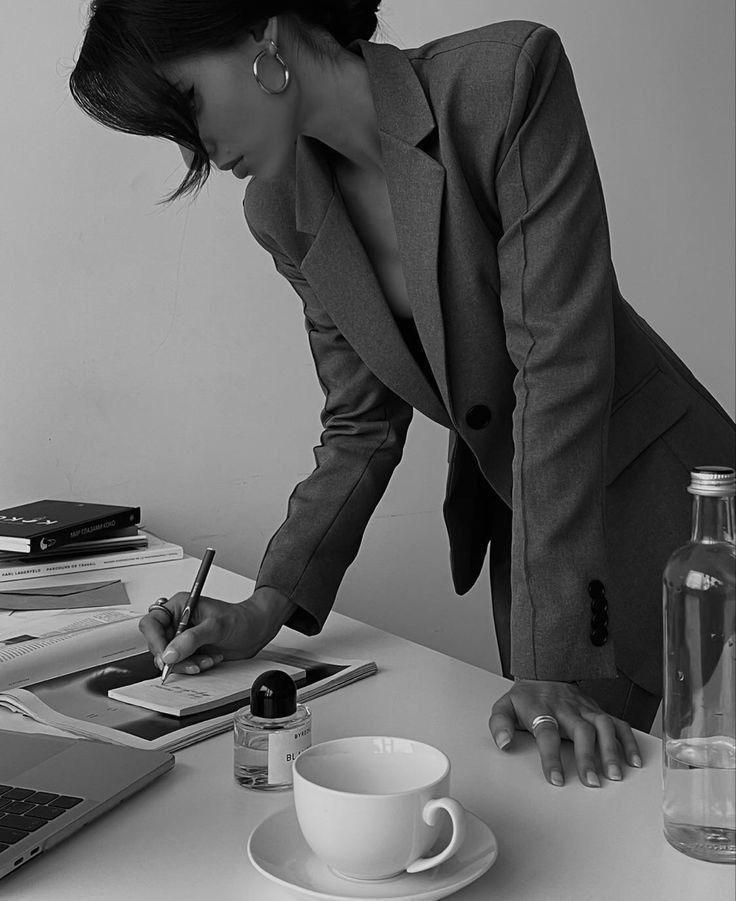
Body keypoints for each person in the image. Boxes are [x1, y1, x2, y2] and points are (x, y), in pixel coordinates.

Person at [69, 1, 735, 788]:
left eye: (186, 102)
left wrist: (547, 651)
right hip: (537, 546)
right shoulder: (281, 208)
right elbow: (359, 422)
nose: (199, 149)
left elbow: (558, 364)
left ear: (260, 37)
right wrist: (264, 605)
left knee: (709, 808)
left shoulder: (503, 82)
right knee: (592, 806)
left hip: (678, 515)